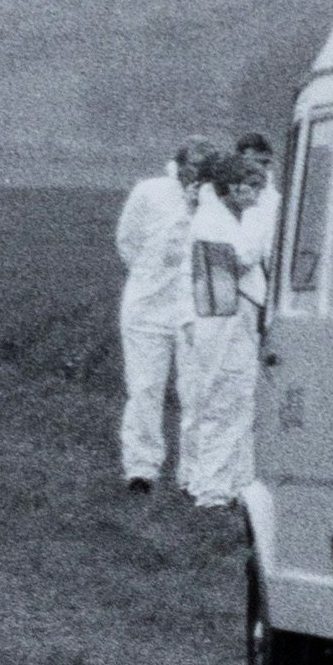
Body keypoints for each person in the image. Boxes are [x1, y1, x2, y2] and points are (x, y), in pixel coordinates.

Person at [116, 134, 216, 494]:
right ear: (180, 164)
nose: (198, 174)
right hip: (147, 306)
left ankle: (192, 473)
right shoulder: (150, 192)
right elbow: (127, 241)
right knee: (145, 388)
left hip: (195, 309)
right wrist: (150, 275)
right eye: (194, 166)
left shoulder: (216, 197)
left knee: (195, 391)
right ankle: (141, 468)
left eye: (205, 168)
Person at [181, 152, 272, 508]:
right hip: (222, 321)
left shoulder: (228, 218)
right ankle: (212, 489)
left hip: (238, 318)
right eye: (252, 186)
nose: (258, 194)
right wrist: (257, 219)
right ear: (232, 188)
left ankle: (237, 485)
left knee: (241, 401)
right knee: (223, 401)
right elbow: (242, 258)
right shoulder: (211, 221)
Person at [234, 132, 281, 265]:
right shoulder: (226, 196)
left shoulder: (276, 202)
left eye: (263, 163)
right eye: (249, 163)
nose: (258, 168)